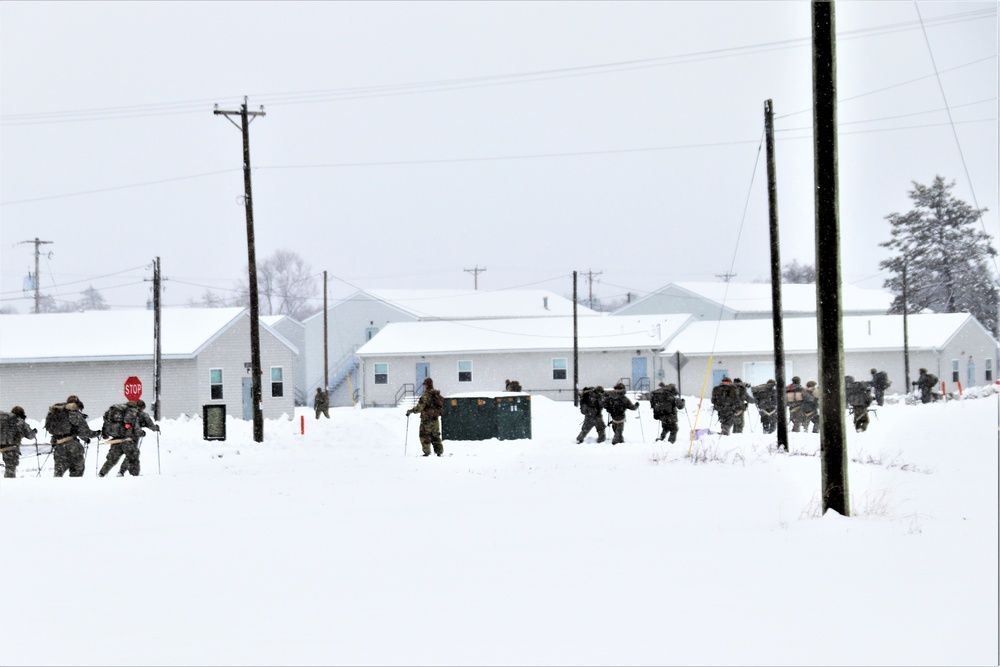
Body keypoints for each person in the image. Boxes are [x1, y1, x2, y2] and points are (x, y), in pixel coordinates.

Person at [99, 399, 160, 477]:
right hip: (128, 439)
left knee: (112, 459)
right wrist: (143, 433)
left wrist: (105, 433)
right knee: (133, 456)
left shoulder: (119, 411)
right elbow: (137, 428)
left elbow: (106, 421)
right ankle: (133, 475)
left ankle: (101, 473)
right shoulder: (132, 413)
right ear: (140, 407)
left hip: (116, 438)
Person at [47, 395, 101, 478]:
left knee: (58, 472)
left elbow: (54, 430)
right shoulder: (74, 414)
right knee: (77, 470)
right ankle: (74, 488)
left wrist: (85, 438)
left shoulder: (56, 414)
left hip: (58, 446)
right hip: (73, 446)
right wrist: (96, 433)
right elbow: (84, 431)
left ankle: (56, 488)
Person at [406, 377, 444, 456]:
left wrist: (411, 411)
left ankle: (426, 453)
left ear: (426, 385)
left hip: (426, 419)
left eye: (424, 384)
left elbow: (419, 408)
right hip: (435, 419)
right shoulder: (436, 394)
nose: (424, 386)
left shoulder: (426, 395)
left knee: (424, 435)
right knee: (435, 435)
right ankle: (439, 452)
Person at [1, 406, 37, 478]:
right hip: (10, 447)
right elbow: (30, 436)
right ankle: (9, 484)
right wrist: (34, 432)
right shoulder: (19, 420)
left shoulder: (2, 419)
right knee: (10, 467)